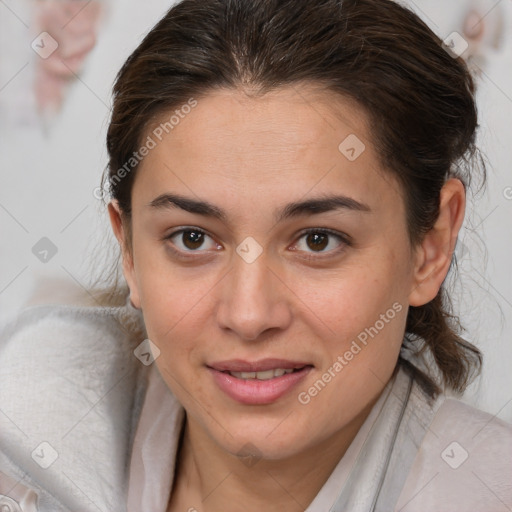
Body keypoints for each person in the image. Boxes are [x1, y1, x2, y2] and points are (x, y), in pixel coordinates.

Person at [1, 0, 511, 510]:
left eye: (318, 240)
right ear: (129, 250)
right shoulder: (26, 434)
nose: (249, 316)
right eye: (193, 239)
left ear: (431, 246)